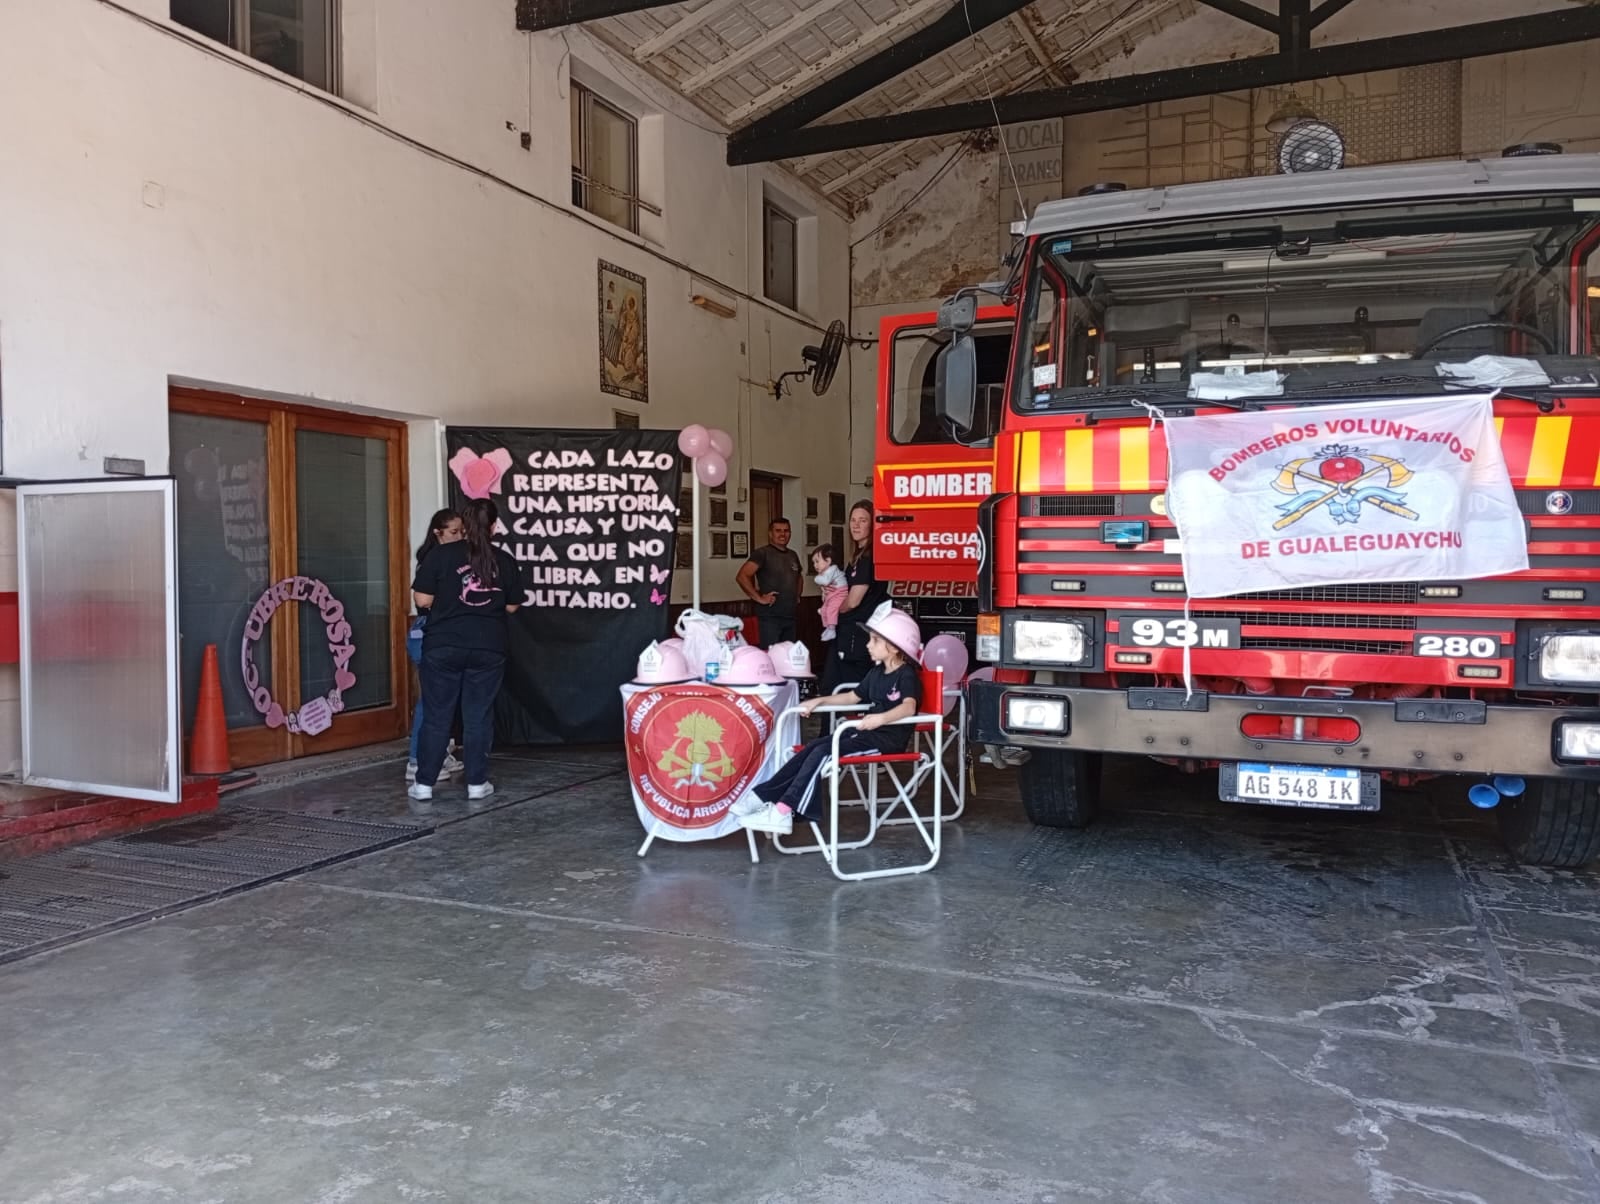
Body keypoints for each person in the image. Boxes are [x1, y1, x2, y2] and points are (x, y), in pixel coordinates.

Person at [735, 602, 922, 836]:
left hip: (885, 741)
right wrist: (819, 701)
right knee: (813, 747)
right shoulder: (876, 672)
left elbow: (908, 707)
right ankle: (761, 796)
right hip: (864, 734)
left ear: (894, 647)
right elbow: (852, 697)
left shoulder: (906, 675)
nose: (867, 644)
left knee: (824, 753)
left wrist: (881, 719)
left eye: (874, 640)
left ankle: (783, 811)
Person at [408, 497, 521, 802]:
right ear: (494, 526)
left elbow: (422, 600)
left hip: (443, 645)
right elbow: (512, 606)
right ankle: (476, 784)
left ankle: (423, 785)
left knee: (437, 715)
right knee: (478, 715)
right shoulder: (504, 560)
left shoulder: (441, 555)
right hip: (488, 647)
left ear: (465, 525)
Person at [406, 509, 465, 784]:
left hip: (442, 631)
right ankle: (417, 759)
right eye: (454, 532)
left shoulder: (452, 558)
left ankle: (438, 752)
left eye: (462, 532)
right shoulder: (432, 560)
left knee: (444, 698)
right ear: (438, 533)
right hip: (428, 630)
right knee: (431, 700)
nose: (460, 537)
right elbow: (424, 601)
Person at [820, 500, 889, 694]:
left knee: (851, 688)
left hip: (857, 636)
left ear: (872, 524)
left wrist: (833, 607)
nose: (856, 525)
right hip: (850, 633)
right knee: (834, 685)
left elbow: (853, 601)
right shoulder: (858, 556)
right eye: (853, 520)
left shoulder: (868, 558)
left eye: (863, 520)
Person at [736, 517, 803, 648]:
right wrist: (759, 598)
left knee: (787, 656)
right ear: (770, 534)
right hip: (770, 619)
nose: (782, 534)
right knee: (770, 656)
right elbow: (742, 576)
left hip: (790, 617)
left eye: (786, 531)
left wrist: (797, 596)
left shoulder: (793, 555)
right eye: (778, 531)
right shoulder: (762, 553)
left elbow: (799, 577)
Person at [811, 543, 848, 641]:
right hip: (833, 594)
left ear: (828, 561)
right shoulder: (826, 571)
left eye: (817, 561)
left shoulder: (832, 569)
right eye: (813, 562)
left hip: (840, 594)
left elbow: (825, 581)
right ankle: (827, 627)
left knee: (830, 610)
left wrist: (816, 579)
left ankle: (832, 630)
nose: (815, 565)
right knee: (824, 610)